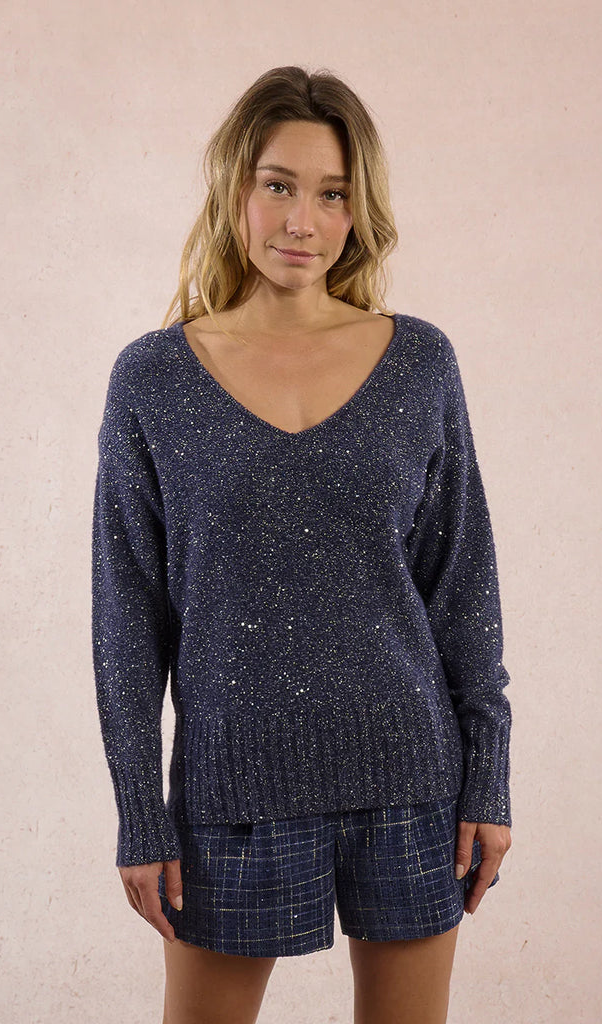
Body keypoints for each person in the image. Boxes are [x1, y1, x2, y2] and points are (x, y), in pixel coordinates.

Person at [91, 65, 513, 1024]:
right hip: (229, 793)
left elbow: (463, 588)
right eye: (278, 184)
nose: (302, 221)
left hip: (412, 782)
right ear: (233, 187)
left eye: (332, 195)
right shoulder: (153, 378)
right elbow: (127, 622)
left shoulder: (419, 361)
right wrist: (139, 811)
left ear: (358, 212)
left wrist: (487, 778)